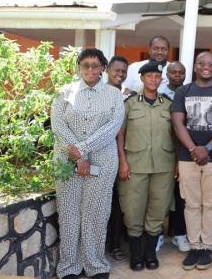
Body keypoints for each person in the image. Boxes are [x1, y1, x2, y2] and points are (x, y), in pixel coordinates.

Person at [51, 48, 125, 279]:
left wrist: (82, 150)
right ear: (79, 67)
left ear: (103, 67)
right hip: (67, 162)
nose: (91, 70)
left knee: (96, 212)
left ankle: (95, 265)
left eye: (95, 65)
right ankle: (69, 267)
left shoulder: (114, 95)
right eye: (86, 65)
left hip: (102, 161)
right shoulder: (64, 92)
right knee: (69, 212)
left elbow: (112, 127)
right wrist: (78, 156)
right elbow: (58, 126)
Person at [171, 51, 212, 271]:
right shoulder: (183, 91)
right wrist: (193, 149)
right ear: (196, 66)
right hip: (187, 157)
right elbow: (178, 123)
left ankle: (207, 247)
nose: (206, 67)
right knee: (191, 203)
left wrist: (207, 148)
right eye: (202, 63)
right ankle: (194, 247)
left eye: (211, 64)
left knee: (211, 204)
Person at [116, 62, 175, 271]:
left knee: (158, 210)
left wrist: (176, 165)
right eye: (149, 76)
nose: (153, 80)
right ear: (142, 78)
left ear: (161, 80)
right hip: (134, 165)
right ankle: (136, 255)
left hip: (163, 166)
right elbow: (120, 134)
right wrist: (122, 161)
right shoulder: (130, 103)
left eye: (157, 77)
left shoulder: (167, 104)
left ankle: (150, 254)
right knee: (133, 211)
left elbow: (175, 134)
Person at [159, 61, 190, 252]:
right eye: (174, 72)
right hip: (162, 151)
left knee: (181, 196)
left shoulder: (190, 92)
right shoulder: (160, 94)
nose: (178, 75)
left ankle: (179, 234)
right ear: (167, 75)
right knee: (160, 195)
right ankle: (158, 234)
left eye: (181, 72)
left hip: (183, 152)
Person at [105, 55, 130, 262]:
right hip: (99, 156)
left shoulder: (129, 96)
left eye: (123, 71)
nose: (119, 74)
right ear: (107, 70)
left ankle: (115, 245)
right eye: (116, 70)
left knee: (117, 203)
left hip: (121, 155)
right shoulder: (99, 94)